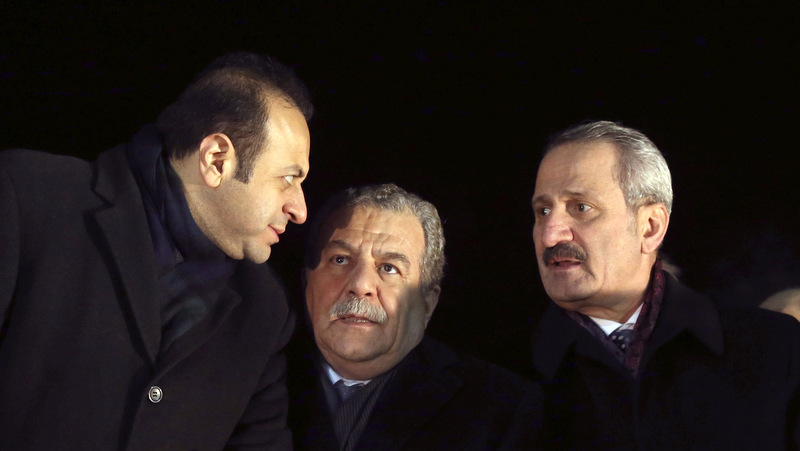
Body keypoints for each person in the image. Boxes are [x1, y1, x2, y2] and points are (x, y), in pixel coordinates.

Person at [0, 51, 312, 450]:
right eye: (288, 178)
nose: (299, 209)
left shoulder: (265, 311)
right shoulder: (29, 201)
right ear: (216, 160)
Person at [529, 120, 800, 449]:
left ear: (650, 227)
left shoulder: (777, 349)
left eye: (581, 207)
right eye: (543, 211)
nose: (549, 234)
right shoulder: (497, 380)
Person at [288, 183, 540, 450]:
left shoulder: (501, 408)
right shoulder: (253, 374)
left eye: (389, 268)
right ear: (307, 284)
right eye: (340, 260)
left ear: (427, 304)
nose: (360, 285)